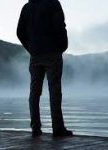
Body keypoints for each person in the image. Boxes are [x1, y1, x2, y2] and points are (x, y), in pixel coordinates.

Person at [17, 0, 73, 137]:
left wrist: (31, 48)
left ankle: (35, 128)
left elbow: (20, 32)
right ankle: (58, 129)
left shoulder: (27, 7)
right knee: (54, 90)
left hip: (35, 55)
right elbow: (60, 27)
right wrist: (62, 46)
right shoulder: (53, 3)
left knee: (34, 92)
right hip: (52, 53)